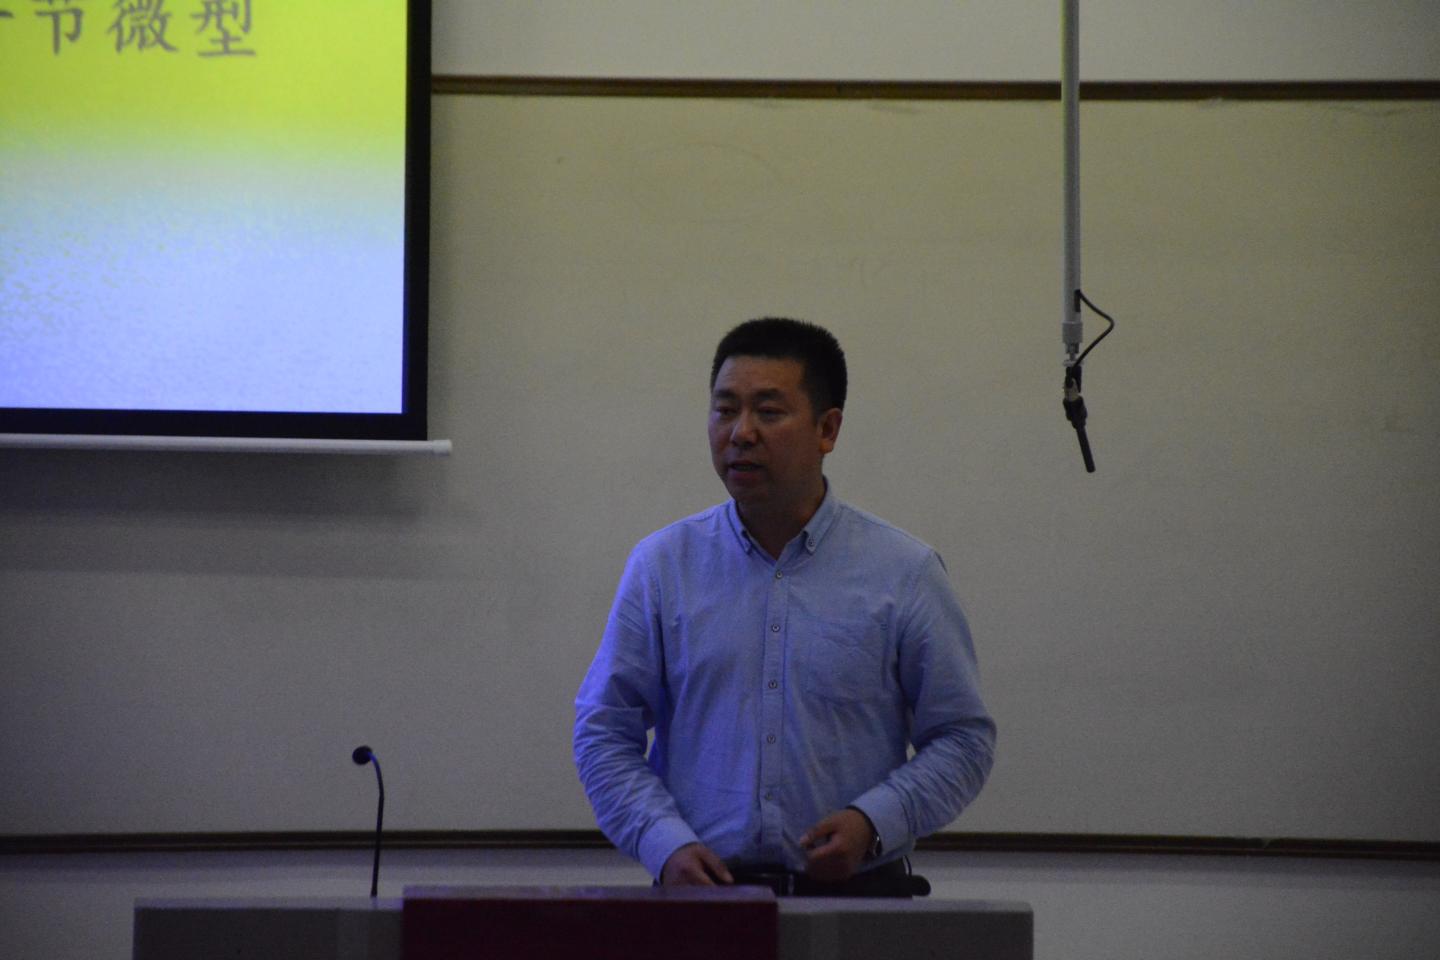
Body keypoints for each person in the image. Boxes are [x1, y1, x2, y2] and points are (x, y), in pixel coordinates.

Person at [573, 317, 995, 896]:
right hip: (703, 902)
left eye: (768, 412)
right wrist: (662, 843)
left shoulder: (904, 572)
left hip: (859, 901)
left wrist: (875, 822)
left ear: (827, 429)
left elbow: (963, 739)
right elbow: (603, 731)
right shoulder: (663, 567)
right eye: (725, 410)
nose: (741, 433)